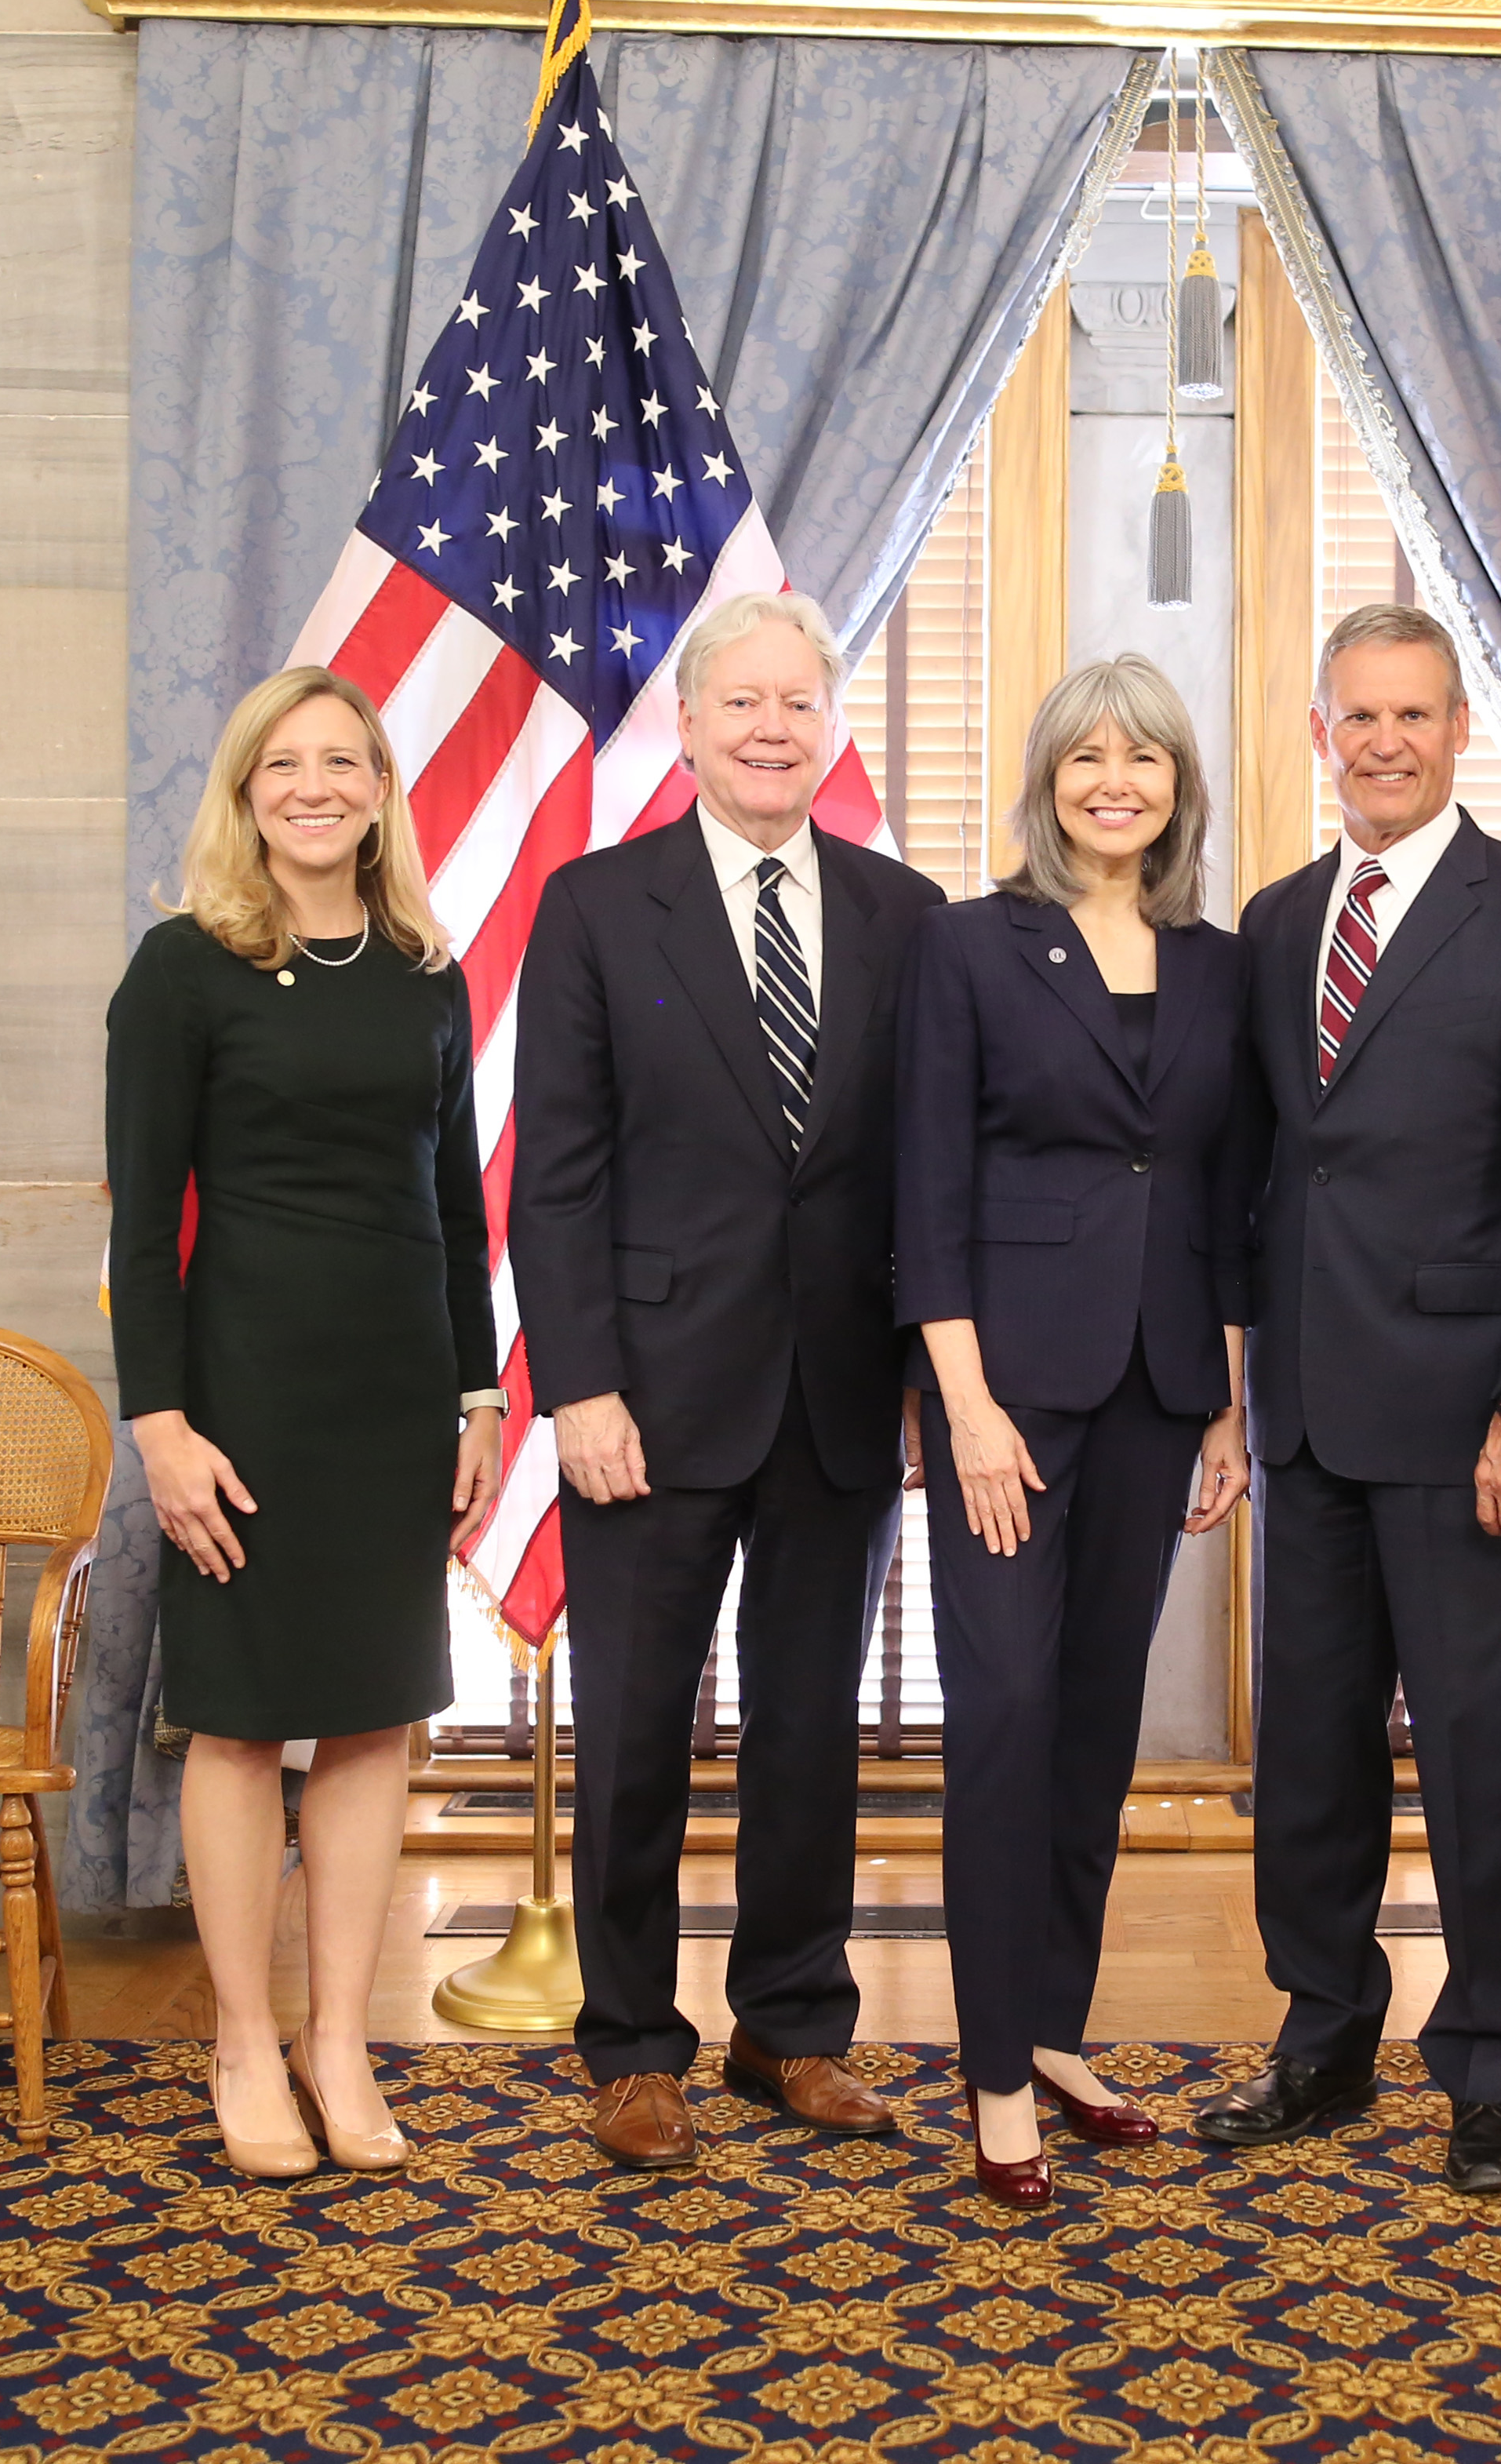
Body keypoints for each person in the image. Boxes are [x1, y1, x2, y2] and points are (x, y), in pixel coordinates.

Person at [1193, 602, 1501, 2196]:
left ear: (1458, 732)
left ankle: (1493, 2072)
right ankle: (1321, 2038)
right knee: (1305, 1755)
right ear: (1323, 734)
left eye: (1413, 716)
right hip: (1305, 1412)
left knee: (1473, 1758)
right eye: (1356, 717)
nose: (1384, 742)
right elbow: (1249, 1179)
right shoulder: (1273, 919)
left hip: (1467, 1426)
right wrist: (1234, 1389)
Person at [511, 592, 944, 2168]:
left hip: (839, 1395)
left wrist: (921, 1379)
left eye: (799, 701)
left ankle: (791, 2027)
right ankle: (632, 2044)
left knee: (812, 1728)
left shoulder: (908, 914)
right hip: (648, 1397)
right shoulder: (596, 905)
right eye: (742, 701)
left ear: (831, 724)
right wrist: (580, 1386)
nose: (773, 726)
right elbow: (553, 1175)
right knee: (634, 1730)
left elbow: (922, 1175)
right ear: (688, 725)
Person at [106, 665, 504, 2179]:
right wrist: (160, 1424)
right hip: (243, 1405)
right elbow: (144, 1230)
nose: (316, 787)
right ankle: (239, 2039)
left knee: (372, 1715)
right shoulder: (183, 969)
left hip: (396, 1397)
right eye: (287, 765)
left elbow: (459, 1216)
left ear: (384, 791)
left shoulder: (423, 970)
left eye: (345, 761)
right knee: (242, 1719)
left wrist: (478, 1396)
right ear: (247, 791)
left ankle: (341, 2041)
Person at [894, 656, 1252, 2207]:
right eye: (1089, 755)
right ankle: (988, 2074)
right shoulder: (968, 948)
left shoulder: (1218, 962)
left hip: (1161, 1384)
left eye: (1148, 757)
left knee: (1096, 1722)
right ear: (1045, 777)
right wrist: (961, 1404)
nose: (1118, 778)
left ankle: (1053, 2028)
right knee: (1008, 1716)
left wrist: (1229, 1395)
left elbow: (1227, 1194)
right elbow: (927, 1194)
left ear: (1180, 786)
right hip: (1009, 1399)